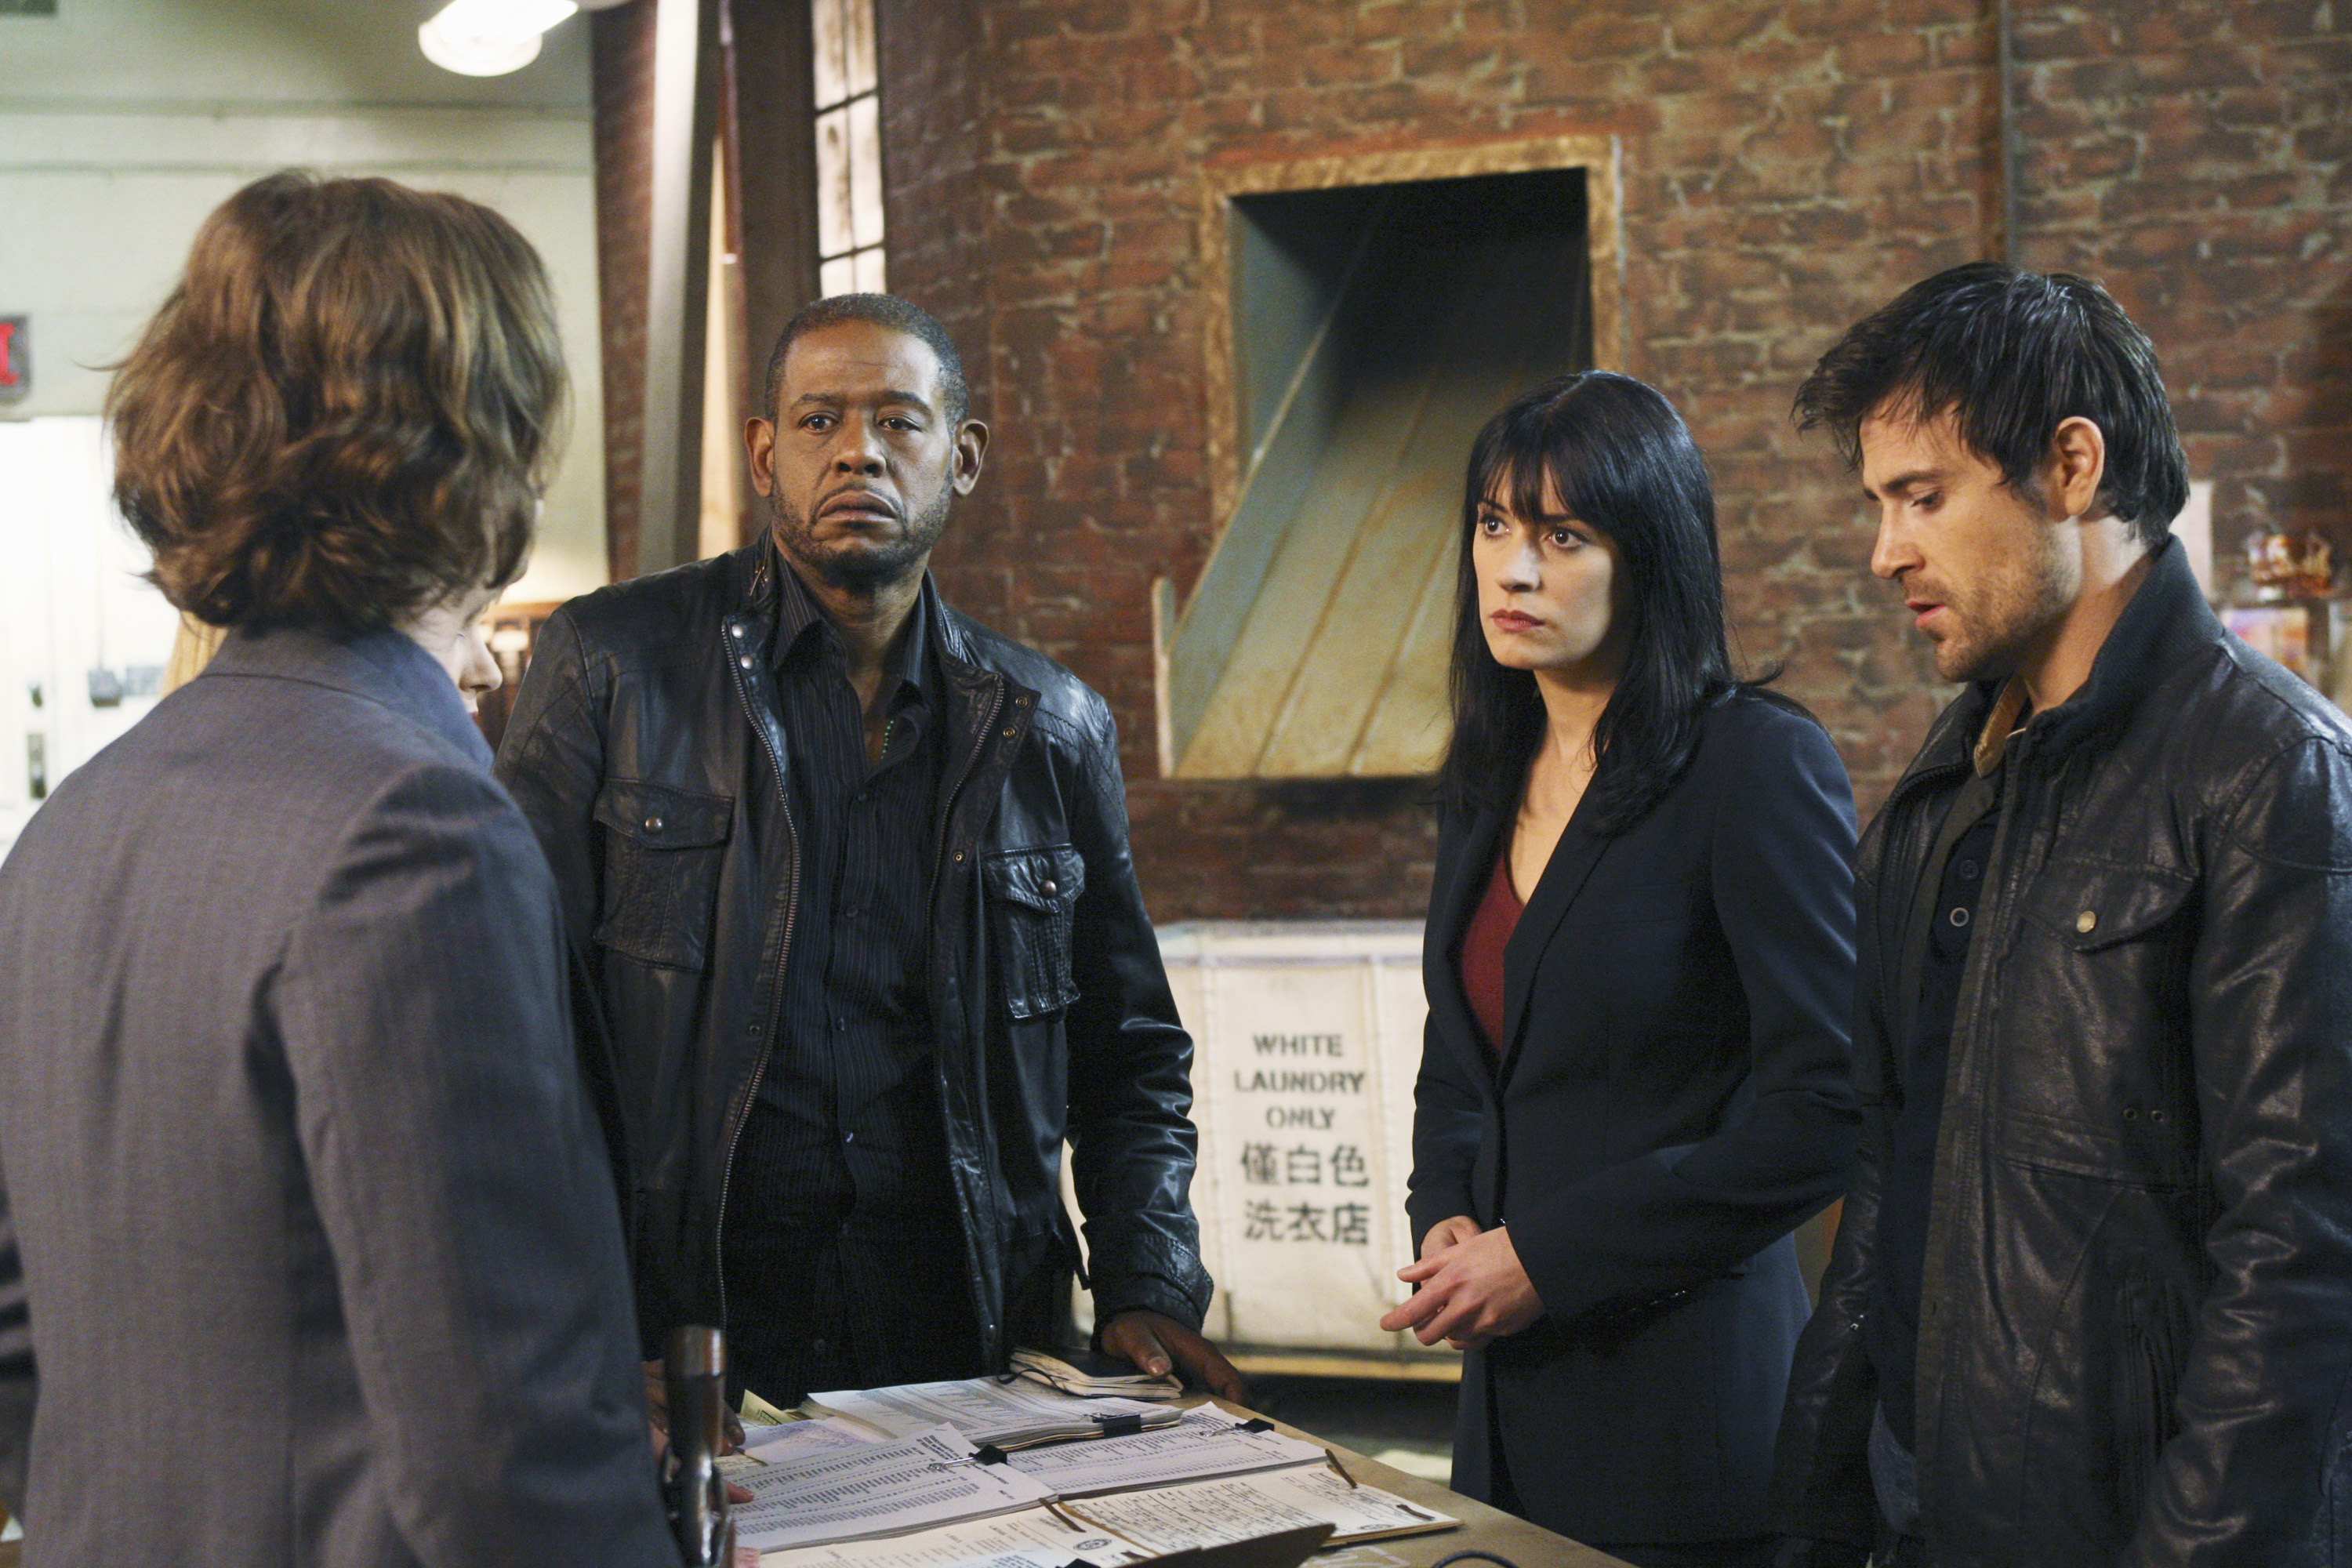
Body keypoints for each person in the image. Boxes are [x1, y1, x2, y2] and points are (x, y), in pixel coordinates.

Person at [0, 173, 678, 1564]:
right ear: (483, 454)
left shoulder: (75, 824)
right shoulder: (414, 828)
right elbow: (505, 1451)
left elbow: (19, 1345)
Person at [496, 292, 1240, 1406]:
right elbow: (514, 1027)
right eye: (819, 421)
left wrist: (1150, 1281)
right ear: (765, 455)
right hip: (691, 1342)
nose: (859, 452)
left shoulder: (1053, 723)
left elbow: (1128, 1054)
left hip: (970, 1341)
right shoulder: (614, 666)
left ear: (963, 457)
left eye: (899, 420)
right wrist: (576, 1332)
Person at [1769, 263, 2352, 1567]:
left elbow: (2302, 1264)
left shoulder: (2271, 773)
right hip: (1922, 1499)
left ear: (2073, 468)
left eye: (1923, 496)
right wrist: (1818, 1502)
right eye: (1879, 504)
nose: (1885, 551)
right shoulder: (1949, 783)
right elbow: (1889, 1176)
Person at [1382, 371, 1860, 1568]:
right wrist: (1444, 1212)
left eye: (1564, 537)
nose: (1514, 571)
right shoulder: (1487, 776)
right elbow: (1461, 1065)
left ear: (1649, 555)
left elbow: (1828, 1107)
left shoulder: (1752, 765)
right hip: (1507, 1411)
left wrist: (1547, 1258)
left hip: (1688, 1421)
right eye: (1494, 525)